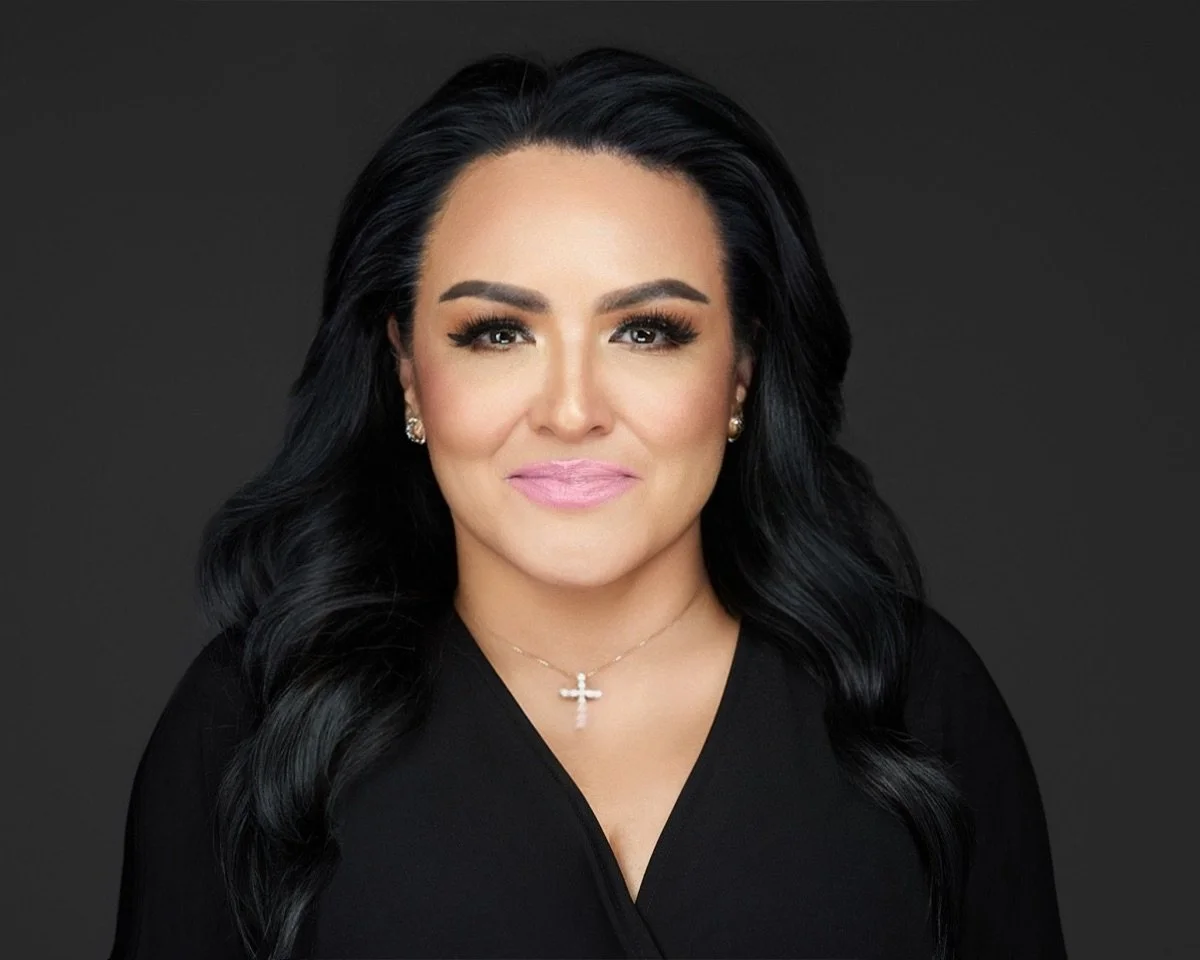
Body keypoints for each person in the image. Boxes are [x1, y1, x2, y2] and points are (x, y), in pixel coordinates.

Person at [107, 46, 1067, 960]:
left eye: (647, 332)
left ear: (741, 371)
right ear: (406, 369)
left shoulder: (913, 702)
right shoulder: (251, 722)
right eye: (496, 333)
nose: (571, 411)